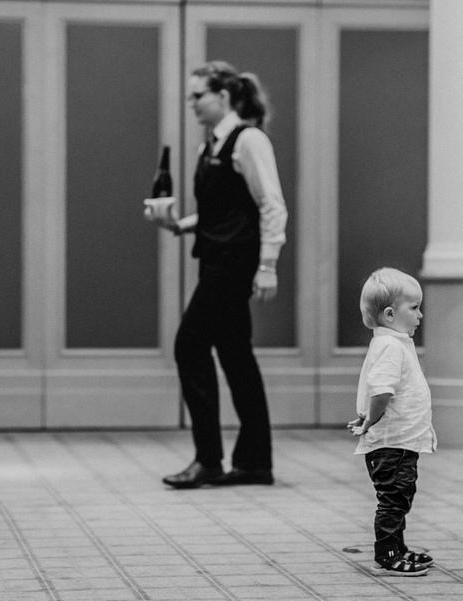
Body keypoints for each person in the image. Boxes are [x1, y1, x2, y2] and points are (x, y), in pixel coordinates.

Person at [146, 61, 288, 489]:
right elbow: (221, 211)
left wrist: (267, 266)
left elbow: (271, 205)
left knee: (189, 344)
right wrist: (180, 224)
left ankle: (208, 459)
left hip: (234, 262)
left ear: (223, 96)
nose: (191, 104)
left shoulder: (249, 140)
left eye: (198, 96)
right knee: (235, 355)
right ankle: (254, 462)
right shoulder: (209, 146)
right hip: (214, 258)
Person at [347, 267, 437, 576]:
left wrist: (366, 416)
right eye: (414, 308)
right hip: (391, 444)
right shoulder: (390, 347)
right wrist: (370, 420)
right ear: (389, 314)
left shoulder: (393, 343)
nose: (420, 315)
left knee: (400, 497)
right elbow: (382, 391)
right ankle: (386, 554)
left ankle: (397, 548)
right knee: (393, 501)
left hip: (399, 442)